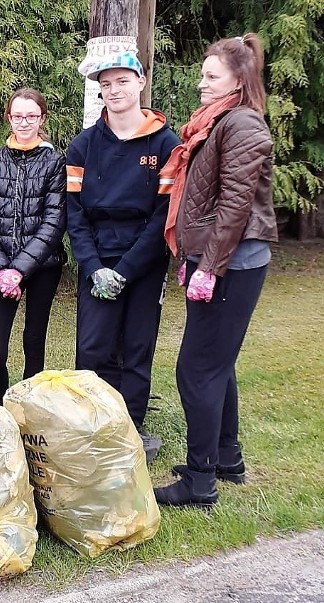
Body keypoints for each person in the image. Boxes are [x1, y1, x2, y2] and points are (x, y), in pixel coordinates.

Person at [154, 34, 277, 508]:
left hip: (233, 262)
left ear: (237, 80)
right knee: (218, 366)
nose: (201, 84)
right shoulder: (218, 122)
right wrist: (195, 257)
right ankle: (227, 458)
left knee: (196, 370)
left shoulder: (242, 124)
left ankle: (200, 481)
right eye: (202, 75)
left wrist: (208, 267)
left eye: (211, 77)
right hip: (223, 259)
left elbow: (234, 204)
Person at [66, 52, 181, 461]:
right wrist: (94, 268)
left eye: (123, 81)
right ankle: (95, 427)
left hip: (144, 262)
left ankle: (130, 431)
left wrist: (127, 270)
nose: (114, 90)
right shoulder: (83, 145)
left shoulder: (167, 144)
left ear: (140, 81)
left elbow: (164, 214)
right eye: (107, 84)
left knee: (136, 348)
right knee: (93, 348)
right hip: (97, 256)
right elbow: (74, 212)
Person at [0, 88, 67, 405]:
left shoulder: (54, 162)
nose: (24, 122)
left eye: (31, 116)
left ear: (42, 119)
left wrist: (20, 269)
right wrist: (2, 269)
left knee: (33, 340)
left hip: (42, 267)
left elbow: (54, 221)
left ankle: (29, 405)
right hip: (1, 269)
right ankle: (2, 404)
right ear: (8, 118)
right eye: (18, 116)